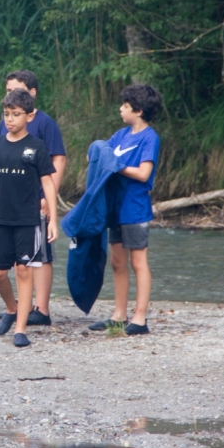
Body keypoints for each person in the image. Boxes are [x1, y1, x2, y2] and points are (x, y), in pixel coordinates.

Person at [0, 89, 58, 348]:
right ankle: (11, 309)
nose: (10, 119)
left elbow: (48, 183)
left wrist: (53, 220)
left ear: (30, 116)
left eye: (16, 114)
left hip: (28, 219)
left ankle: (20, 329)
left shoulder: (37, 147)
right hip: (1, 218)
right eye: (6, 114)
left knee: (24, 270)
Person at [88, 84, 162, 336]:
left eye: (125, 106)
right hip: (114, 208)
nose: (121, 109)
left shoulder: (149, 138)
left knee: (138, 262)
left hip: (135, 208)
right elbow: (100, 155)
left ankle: (140, 318)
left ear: (138, 110)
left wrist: (116, 165)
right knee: (118, 261)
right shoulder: (121, 135)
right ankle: (119, 316)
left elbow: (143, 174)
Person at [0, 69, 66, 326]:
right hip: (10, 199)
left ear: (32, 94)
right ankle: (19, 306)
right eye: (8, 90)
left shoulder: (45, 123)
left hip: (37, 196)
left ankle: (42, 309)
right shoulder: (5, 122)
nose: (12, 95)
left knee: (42, 251)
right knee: (17, 256)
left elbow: (58, 157)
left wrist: (49, 195)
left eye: (19, 90)